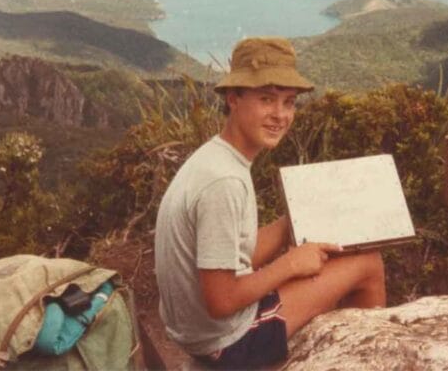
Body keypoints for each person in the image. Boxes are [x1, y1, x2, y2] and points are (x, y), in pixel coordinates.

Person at [154, 37, 386, 369]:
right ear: (233, 99)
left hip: (196, 331)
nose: (281, 115)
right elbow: (221, 301)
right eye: (266, 100)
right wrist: (290, 265)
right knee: (368, 264)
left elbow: (232, 255)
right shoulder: (225, 182)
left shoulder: (214, 159)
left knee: (344, 259)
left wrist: (290, 223)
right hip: (227, 342)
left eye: (289, 102)